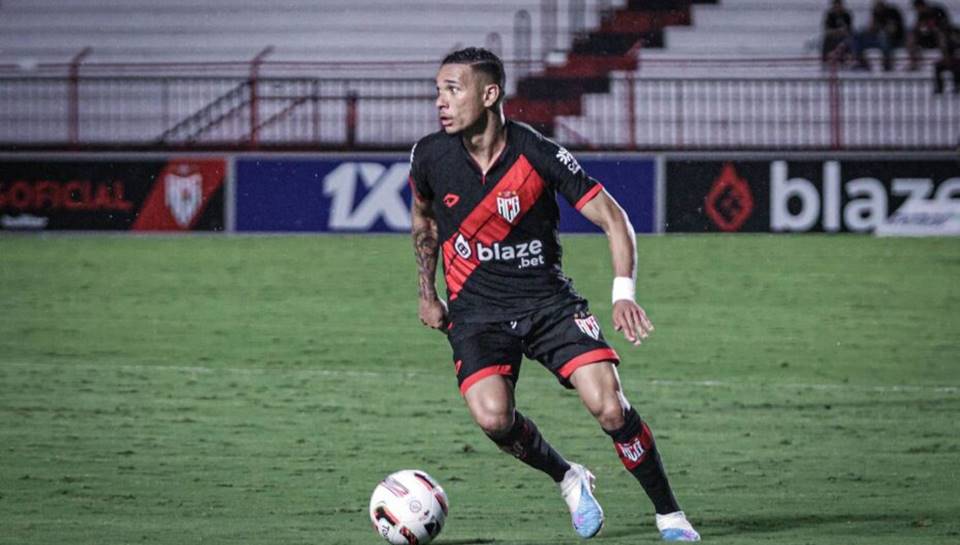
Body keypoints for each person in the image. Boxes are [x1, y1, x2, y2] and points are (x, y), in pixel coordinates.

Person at [409, 47, 701, 542]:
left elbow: (613, 218)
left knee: (610, 407)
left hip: (548, 305)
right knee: (494, 418)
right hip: (477, 312)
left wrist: (623, 292)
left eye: (452, 90)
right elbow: (424, 220)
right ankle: (568, 477)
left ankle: (669, 515)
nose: (441, 101)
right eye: (438, 91)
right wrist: (426, 292)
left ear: (489, 94)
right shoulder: (430, 156)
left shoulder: (536, 153)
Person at [852, 0, 905, 71]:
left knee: (883, 36)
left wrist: (882, 29)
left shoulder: (892, 12)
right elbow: (873, 29)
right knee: (858, 35)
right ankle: (861, 62)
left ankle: (887, 65)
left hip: (893, 40)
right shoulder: (876, 13)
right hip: (878, 40)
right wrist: (871, 29)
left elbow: (893, 30)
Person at [908, 0, 953, 70]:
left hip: (940, 37)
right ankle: (914, 62)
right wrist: (921, 29)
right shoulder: (921, 15)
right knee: (911, 37)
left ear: (922, 6)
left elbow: (946, 25)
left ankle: (947, 61)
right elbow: (917, 28)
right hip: (927, 38)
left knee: (941, 36)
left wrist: (934, 28)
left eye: (918, 8)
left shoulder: (937, 11)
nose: (918, 11)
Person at [822, 0, 854, 66]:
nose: (837, 7)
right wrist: (837, 31)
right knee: (827, 39)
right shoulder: (830, 15)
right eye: (836, 5)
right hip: (833, 36)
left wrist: (843, 31)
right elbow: (827, 30)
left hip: (843, 37)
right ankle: (826, 60)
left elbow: (849, 30)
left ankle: (847, 58)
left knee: (848, 40)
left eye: (839, 5)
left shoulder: (846, 15)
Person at [933, 22, 960, 93]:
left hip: (956, 61)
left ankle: (957, 86)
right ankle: (940, 87)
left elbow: (956, 50)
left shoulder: (955, 39)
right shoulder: (943, 39)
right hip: (948, 60)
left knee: (957, 68)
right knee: (938, 67)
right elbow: (944, 51)